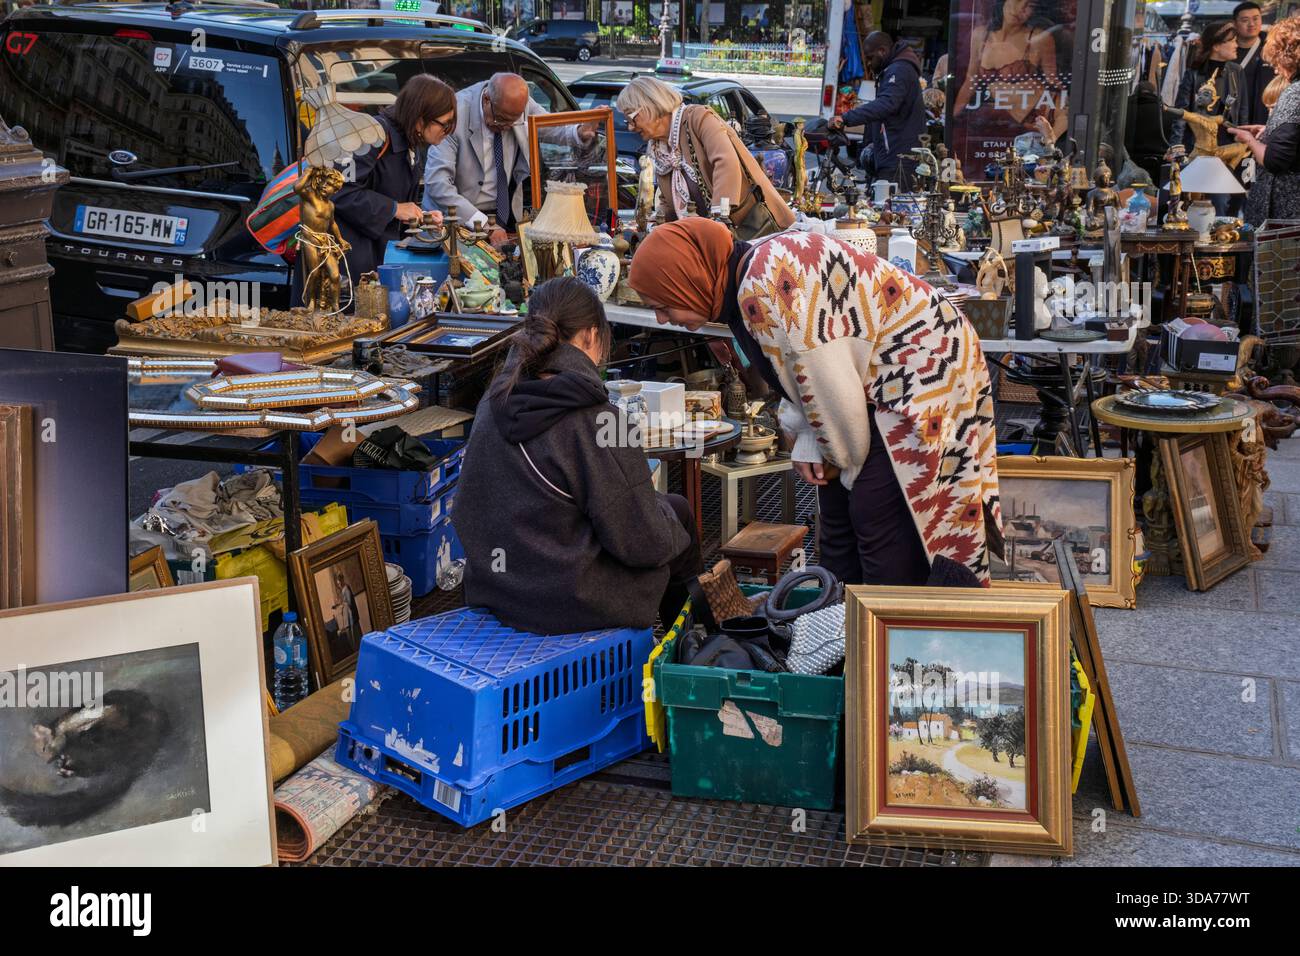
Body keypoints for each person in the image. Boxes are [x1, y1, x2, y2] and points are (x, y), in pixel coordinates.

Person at [627, 219, 1002, 586]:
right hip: (888, 375)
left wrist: (836, 460)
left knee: (879, 514)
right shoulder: (751, 269)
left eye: (663, 304)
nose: (663, 319)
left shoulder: (763, 286)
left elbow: (836, 403)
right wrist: (815, 445)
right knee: (841, 509)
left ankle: (893, 625)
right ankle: (846, 623)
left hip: (926, 372)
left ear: (687, 280)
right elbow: (807, 370)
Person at [453, 277, 701, 635]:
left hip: (492, 587)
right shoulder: (598, 419)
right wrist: (664, 521)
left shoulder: (494, 400)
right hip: (567, 601)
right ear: (589, 335)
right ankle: (694, 650)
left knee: (663, 511)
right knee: (677, 514)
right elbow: (642, 543)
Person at [423, 74, 591, 247]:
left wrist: (578, 132)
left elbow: (546, 126)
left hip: (500, 214)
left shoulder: (518, 103)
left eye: (514, 121)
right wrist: (484, 224)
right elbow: (438, 184)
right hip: (454, 219)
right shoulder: (456, 114)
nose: (507, 127)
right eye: (501, 119)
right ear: (487, 100)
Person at [615, 75, 793, 238]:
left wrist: (718, 217)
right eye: (627, 121)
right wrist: (656, 223)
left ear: (650, 106)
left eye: (632, 118)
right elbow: (668, 200)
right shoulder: (659, 147)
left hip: (749, 228)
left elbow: (725, 162)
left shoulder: (698, 117)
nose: (630, 127)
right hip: (708, 237)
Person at [331, 74, 454, 280]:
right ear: (420, 119)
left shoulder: (409, 142)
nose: (448, 132)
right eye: (445, 124)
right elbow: (340, 191)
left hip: (374, 257)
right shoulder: (368, 137)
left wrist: (419, 216)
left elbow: (391, 196)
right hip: (345, 265)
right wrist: (396, 209)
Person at [950, 1, 1066, 148]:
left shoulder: (1039, 37)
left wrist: (1052, 135)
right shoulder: (981, 35)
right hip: (999, 119)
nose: (1019, 9)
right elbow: (970, 81)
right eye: (1016, 0)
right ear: (1003, 2)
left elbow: (1054, 82)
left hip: (1035, 115)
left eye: (1029, 5)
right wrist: (950, 119)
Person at [1171, 21, 1248, 213]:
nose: (1236, 45)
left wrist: (1244, 140)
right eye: (1232, 41)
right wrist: (1176, 148)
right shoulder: (1194, 73)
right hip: (1197, 148)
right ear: (1216, 45)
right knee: (1191, 199)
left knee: (1224, 202)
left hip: (1226, 148)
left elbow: (1242, 110)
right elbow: (1181, 114)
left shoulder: (1236, 71)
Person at [830, 31, 927, 182]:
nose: (868, 63)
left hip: (897, 156)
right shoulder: (894, 69)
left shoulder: (899, 70)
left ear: (882, 51)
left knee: (889, 201)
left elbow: (886, 104)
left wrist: (846, 118)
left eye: (870, 58)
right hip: (893, 153)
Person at [1234, 15, 1300, 224]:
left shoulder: (1294, 93)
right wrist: (1270, 130)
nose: (1274, 68)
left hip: (1286, 213)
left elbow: (1275, 160)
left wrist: (1249, 140)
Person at [1234, 1, 1276, 127]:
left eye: (1256, 18)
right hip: (1234, 117)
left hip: (1263, 117)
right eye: (1245, 20)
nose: (1251, 24)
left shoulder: (1272, 48)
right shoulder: (1226, 49)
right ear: (1235, 24)